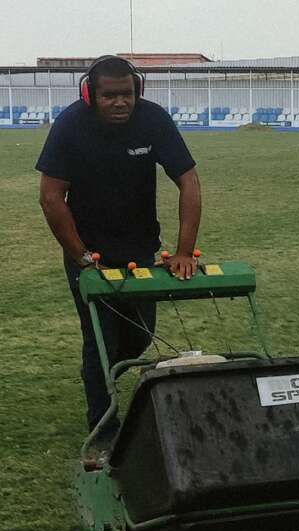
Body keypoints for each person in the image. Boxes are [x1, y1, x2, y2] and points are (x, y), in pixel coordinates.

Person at [36, 55, 201, 466]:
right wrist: (81, 257)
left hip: (142, 250)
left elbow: (189, 181)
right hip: (89, 254)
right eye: (109, 95)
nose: (119, 102)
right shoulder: (71, 126)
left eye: (126, 94)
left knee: (139, 336)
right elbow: (51, 197)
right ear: (91, 94)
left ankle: (103, 374)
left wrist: (183, 251)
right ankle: (104, 431)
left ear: (137, 91)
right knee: (100, 341)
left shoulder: (154, 121)